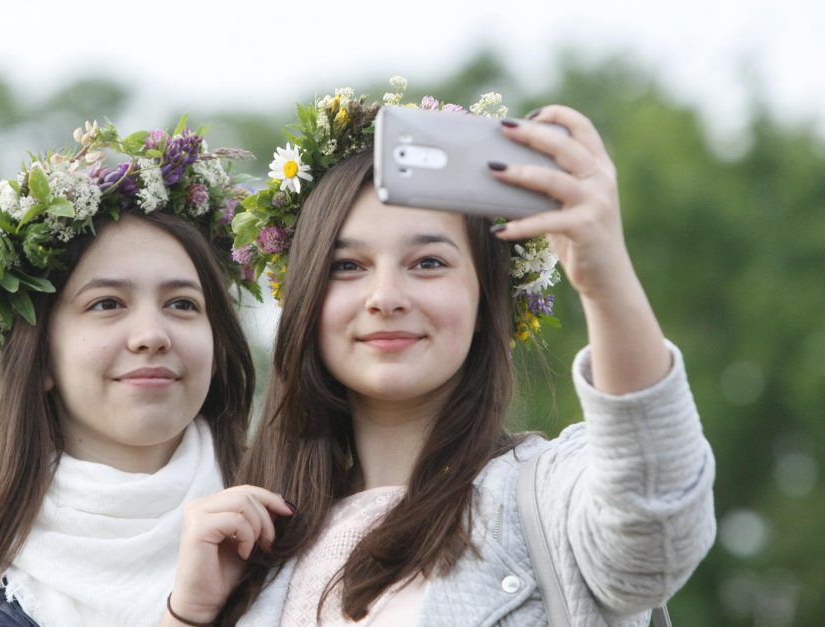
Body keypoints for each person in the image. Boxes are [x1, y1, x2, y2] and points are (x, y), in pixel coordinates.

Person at [164, 79, 716, 626]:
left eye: (428, 263)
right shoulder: (251, 548)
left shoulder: (551, 498)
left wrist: (604, 278)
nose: (385, 298)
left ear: (486, 300)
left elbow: (656, 534)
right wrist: (190, 617)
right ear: (306, 298)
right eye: (347, 266)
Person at [0, 118, 293, 626]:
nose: (152, 333)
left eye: (183, 304)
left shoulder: (303, 542)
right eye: (106, 303)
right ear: (41, 359)